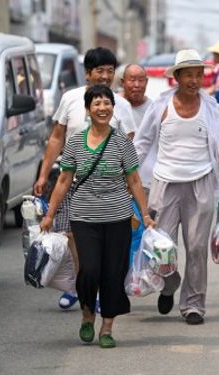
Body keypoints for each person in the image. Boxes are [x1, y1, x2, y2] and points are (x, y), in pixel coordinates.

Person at [40, 84, 154, 348]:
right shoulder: (76, 142)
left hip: (118, 218)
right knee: (89, 270)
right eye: (97, 104)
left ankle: (107, 328)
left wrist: (145, 215)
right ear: (88, 109)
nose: (102, 108)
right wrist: (50, 214)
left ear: (113, 108)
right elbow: (64, 180)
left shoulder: (122, 142)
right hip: (84, 217)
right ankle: (88, 314)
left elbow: (134, 181)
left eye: (107, 103)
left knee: (113, 273)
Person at [134, 49, 219, 325]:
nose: (194, 80)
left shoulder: (212, 108)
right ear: (177, 77)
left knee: (195, 248)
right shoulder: (161, 106)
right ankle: (170, 283)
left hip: (201, 183)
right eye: (188, 75)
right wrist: (126, 176)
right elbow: (142, 144)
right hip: (165, 184)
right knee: (161, 246)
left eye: (198, 74)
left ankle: (193, 305)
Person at [33, 47, 136, 310]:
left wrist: (127, 184)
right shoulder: (70, 99)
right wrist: (44, 174)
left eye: (110, 72)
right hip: (74, 182)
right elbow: (57, 137)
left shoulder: (121, 105)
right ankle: (83, 286)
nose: (105, 76)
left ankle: (97, 290)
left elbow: (129, 144)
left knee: (104, 243)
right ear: (88, 73)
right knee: (72, 236)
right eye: (99, 71)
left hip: (110, 188)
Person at [121, 63, 152, 139]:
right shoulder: (113, 105)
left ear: (146, 82)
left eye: (141, 80)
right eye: (132, 80)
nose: (137, 85)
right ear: (123, 82)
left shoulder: (153, 109)